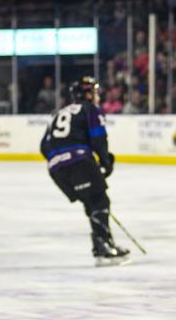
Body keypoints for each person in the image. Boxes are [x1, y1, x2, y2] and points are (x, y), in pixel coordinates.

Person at [40, 76, 129, 266]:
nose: (97, 96)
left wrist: (62, 161)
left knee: (92, 202)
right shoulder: (90, 109)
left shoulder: (57, 113)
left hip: (57, 170)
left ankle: (103, 244)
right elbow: (98, 138)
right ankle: (103, 247)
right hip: (79, 162)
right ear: (87, 93)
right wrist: (106, 161)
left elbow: (44, 147)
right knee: (99, 200)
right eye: (94, 92)